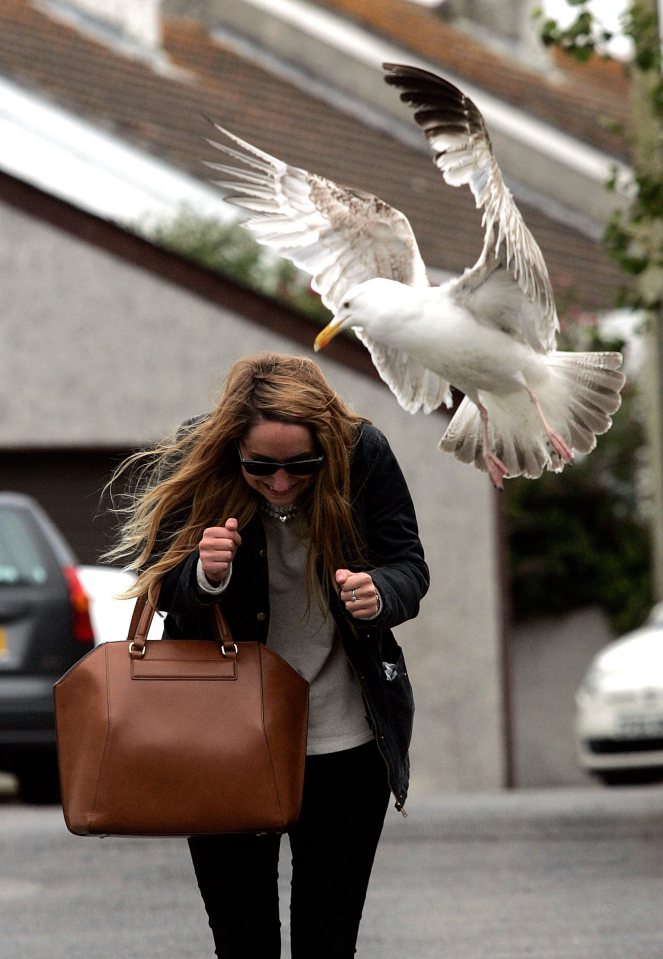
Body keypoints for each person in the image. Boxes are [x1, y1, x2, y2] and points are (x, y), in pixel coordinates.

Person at [106, 352, 429, 958]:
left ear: (326, 445)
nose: (281, 482)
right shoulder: (196, 455)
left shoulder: (365, 455)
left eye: (301, 465)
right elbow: (162, 585)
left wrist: (379, 592)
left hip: (344, 741)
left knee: (327, 941)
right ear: (234, 449)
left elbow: (409, 567)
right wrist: (204, 575)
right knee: (242, 940)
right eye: (262, 467)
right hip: (227, 743)